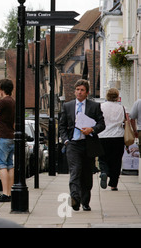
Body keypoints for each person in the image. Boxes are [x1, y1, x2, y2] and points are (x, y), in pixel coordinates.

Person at [59, 79, 105, 211]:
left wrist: (92, 129)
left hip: (88, 144)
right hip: (73, 144)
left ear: (87, 93)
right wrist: (66, 141)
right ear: (74, 91)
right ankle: (75, 198)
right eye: (77, 90)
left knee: (86, 174)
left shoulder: (94, 107)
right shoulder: (68, 106)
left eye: (82, 90)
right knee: (75, 171)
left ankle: (85, 202)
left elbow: (102, 124)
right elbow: (62, 126)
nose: (79, 92)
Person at [97, 88, 125, 191]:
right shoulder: (122, 108)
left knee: (103, 158)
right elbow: (125, 121)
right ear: (117, 97)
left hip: (103, 136)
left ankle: (104, 171)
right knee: (116, 161)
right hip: (118, 137)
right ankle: (113, 184)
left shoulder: (101, 107)